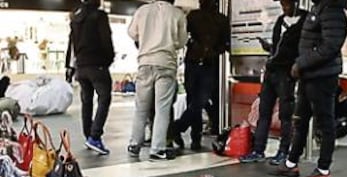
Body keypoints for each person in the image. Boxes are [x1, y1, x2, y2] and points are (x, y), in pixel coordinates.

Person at [273, 0, 347, 177]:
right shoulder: (319, 8)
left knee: (325, 123)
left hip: (323, 77)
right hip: (309, 76)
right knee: (300, 120)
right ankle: (291, 163)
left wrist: (302, 63)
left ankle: (323, 169)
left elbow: (331, 45)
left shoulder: (333, 10)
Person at [239, 0, 307, 165]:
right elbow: (278, 47)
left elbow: (304, 48)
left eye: (287, 4)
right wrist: (269, 47)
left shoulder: (305, 22)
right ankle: (258, 150)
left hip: (286, 73)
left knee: (285, 114)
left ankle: (283, 151)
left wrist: (297, 66)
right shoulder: (280, 21)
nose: (285, 8)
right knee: (264, 112)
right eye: (283, 5)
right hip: (272, 71)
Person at [127, 0, 187, 161]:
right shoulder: (177, 13)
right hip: (166, 64)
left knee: (141, 108)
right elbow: (182, 41)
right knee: (162, 109)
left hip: (145, 63)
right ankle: (157, 148)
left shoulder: (142, 10)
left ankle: (134, 144)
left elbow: (132, 33)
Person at [173, 0, 230, 151]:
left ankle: (177, 128)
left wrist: (213, 51)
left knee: (200, 100)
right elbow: (184, 36)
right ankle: (195, 138)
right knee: (193, 101)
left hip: (208, 64)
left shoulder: (221, 19)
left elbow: (225, 43)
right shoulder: (193, 16)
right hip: (193, 62)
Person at [66, 0, 114, 155]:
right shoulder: (99, 16)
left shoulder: (75, 17)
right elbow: (106, 39)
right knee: (104, 98)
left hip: (81, 65)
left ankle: (89, 135)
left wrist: (71, 67)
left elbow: (71, 44)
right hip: (97, 64)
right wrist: (109, 59)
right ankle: (95, 136)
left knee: (87, 101)